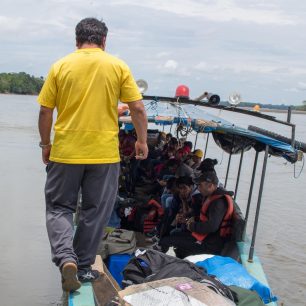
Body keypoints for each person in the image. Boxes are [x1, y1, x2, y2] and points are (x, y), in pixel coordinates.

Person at [37, 17, 148, 292]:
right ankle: (83, 266)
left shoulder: (61, 66)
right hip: (104, 156)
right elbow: (137, 108)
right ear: (104, 40)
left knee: (59, 208)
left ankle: (66, 259)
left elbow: (45, 111)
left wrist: (44, 144)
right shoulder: (117, 66)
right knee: (95, 211)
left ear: (77, 40)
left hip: (65, 152)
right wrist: (141, 141)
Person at [157, 171, 234, 258]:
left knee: (166, 242)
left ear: (210, 185)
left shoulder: (218, 202)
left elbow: (212, 226)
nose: (198, 188)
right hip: (204, 238)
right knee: (173, 235)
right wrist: (191, 220)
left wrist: (192, 226)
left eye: (200, 185)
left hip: (209, 245)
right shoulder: (211, 197)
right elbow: (205, 218)